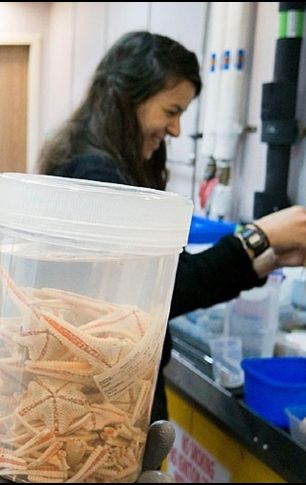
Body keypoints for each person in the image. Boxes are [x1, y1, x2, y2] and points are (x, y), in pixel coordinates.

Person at [39, 31, 306, 424]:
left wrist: (264, 259)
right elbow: (158, 290)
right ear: (129, 99)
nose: (177, 130)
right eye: (171, 111)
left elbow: (158, 280)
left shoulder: (89, 161)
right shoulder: (94, 175)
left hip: (105, 386)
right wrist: (258, 236)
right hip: (103, 400)